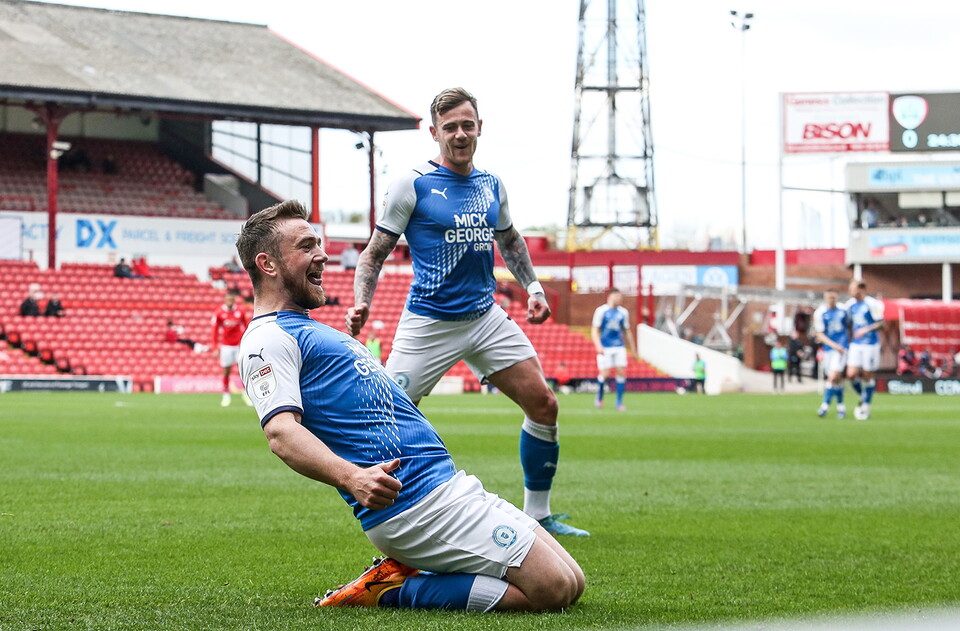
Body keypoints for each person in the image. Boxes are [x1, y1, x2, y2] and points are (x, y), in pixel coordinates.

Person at [235, 200, 584, 612]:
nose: (322, 254)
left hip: (445, 487)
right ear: (268, 264)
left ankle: (413, 573)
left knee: (574, 582)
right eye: (306, 245)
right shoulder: (268, 338)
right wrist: (352, 478)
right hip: (413, 505)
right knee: (553, 589)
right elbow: (281, 433)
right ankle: (395, 590)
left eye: (319, 243)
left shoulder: (309, 329)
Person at [346, 88, 586, 537]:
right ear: (434, 132)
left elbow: (510, 240)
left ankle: (539, 514)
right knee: (389, 422)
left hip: (484, 317)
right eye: (450, 127)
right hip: (429, 323)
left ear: (479, 128)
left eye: (467, 125)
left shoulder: (491, 184)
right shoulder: (412, 184)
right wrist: (363, 301)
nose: (460, 134)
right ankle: (393, 523)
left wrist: (533, 287)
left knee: (544, 404)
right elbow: (374, 254)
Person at [591, 288, 639, 411]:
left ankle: (619, 402)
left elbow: (627, 331)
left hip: (619, 347)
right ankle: (599, 398)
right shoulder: (601, 311)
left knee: (621, 372)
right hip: (605, 347)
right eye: (617, 296)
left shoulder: (623, 312)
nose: (620, 299)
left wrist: (633, 349)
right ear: (610, 296)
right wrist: (598, 345)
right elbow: (595, 330)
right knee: (605, 374)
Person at [844, 280, 885, 420]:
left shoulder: (873, 304)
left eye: (853, 288)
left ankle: (865, 406)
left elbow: (881, 323)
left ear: (862, 289)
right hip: (856, 344)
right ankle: (864, 396)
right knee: (851, 374)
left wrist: (865, 329)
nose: (850, 291)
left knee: (867, 375)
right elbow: (846, 323)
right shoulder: (850, 305)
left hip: (870, 344)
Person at [813, 289, 850, 419]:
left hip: (841, 349)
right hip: (829, 349)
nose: (831, 300)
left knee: (832, 378)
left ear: (837, 297)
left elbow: (850, 326)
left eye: (833, 298)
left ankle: (824, 406)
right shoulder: (820, 313)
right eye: (829, 298)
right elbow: (819, 334)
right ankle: (841, 407)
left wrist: (846, 344)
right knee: (837, 380)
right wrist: (833, 345)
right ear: (825, 298)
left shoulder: (844, 310)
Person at [212, 292, 250, 407]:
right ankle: (226, 396)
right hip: (226, 346)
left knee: (242, 371)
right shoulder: (219, 313)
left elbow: (247, 326)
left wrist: (246, 343)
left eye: (231, 298)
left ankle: (246, 394)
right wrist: (215, 347)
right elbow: (215, 331)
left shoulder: (240, 311)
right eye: (227, 298)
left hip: (238, 345)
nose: (229, 300)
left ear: (234, 299)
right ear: (225, 299)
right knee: (226, 371)